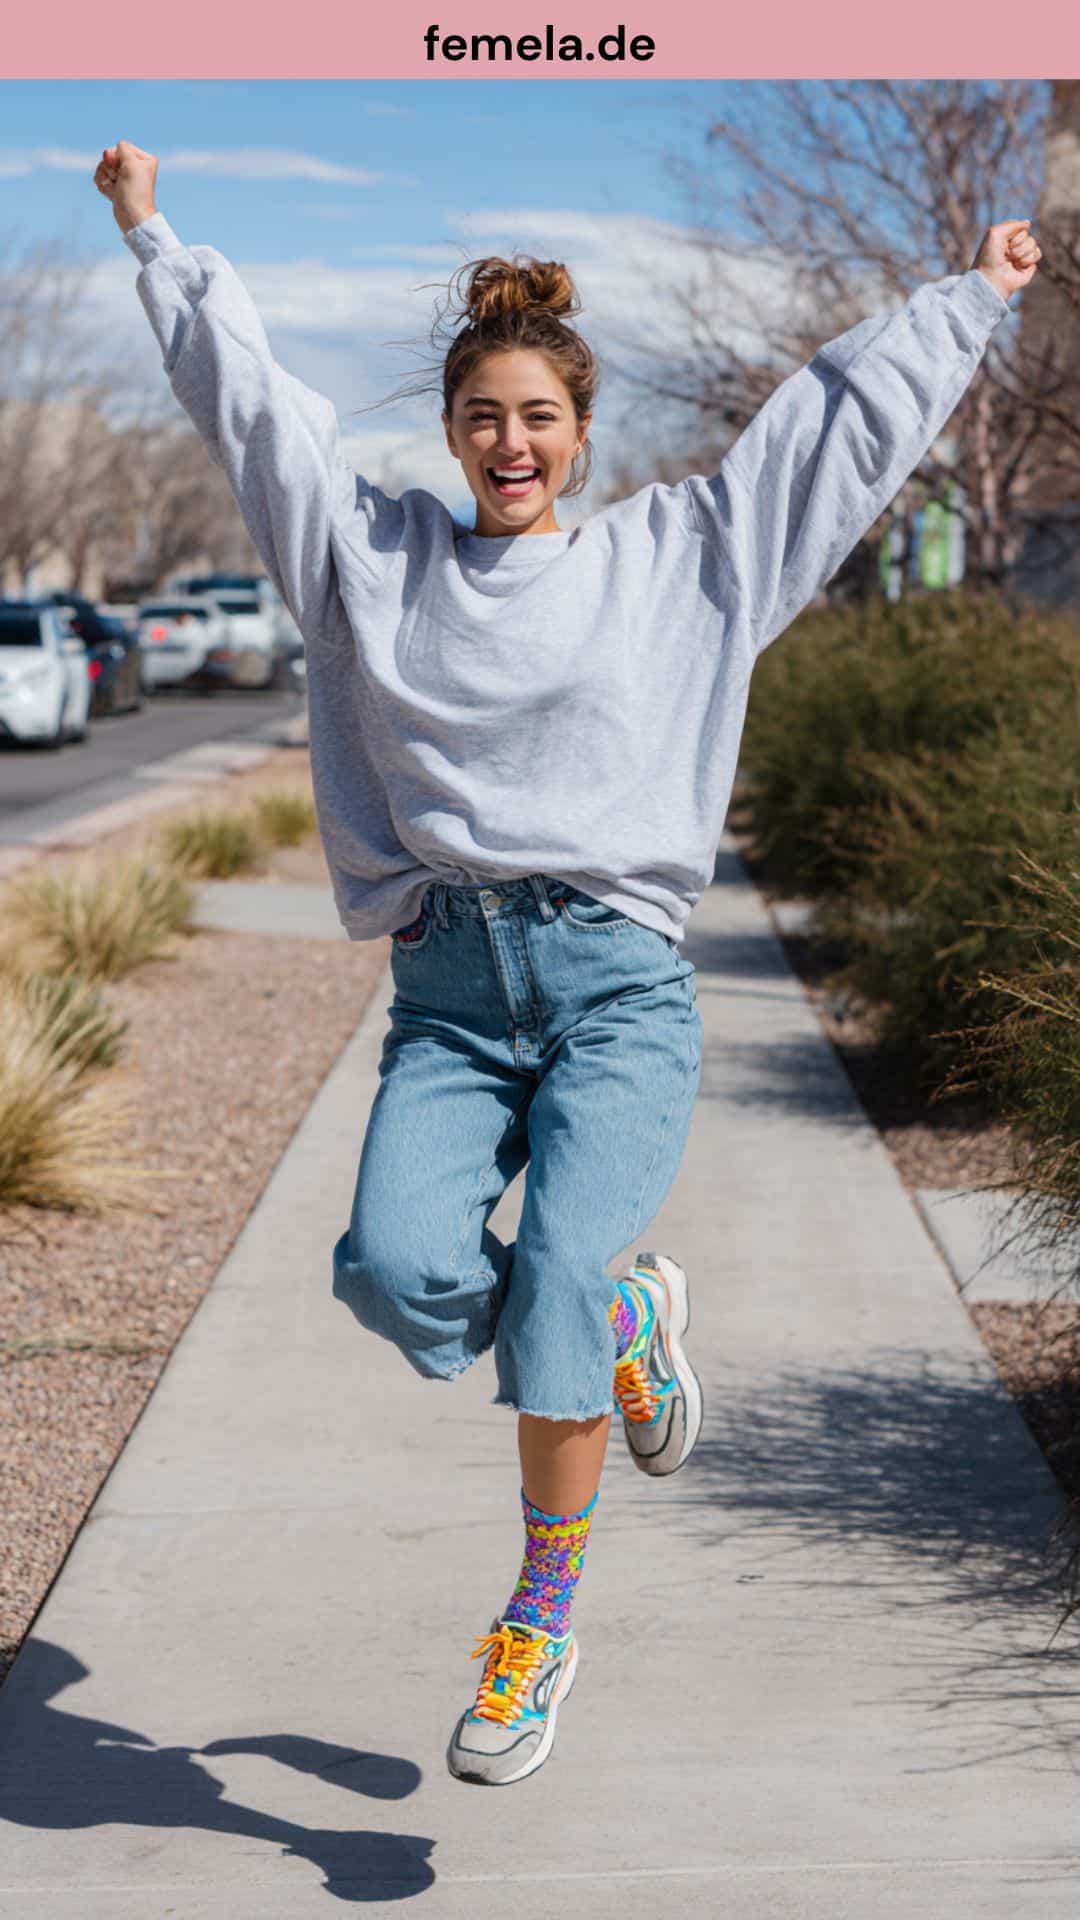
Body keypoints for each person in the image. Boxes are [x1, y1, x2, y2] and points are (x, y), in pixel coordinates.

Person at [94, 138, 1039, 1788]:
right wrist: (153, 236)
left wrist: (970, 302)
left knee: (544, 1289)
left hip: (617, 988)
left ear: (582, 432)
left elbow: (832, 433)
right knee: (397, 1270)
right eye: (483, 417)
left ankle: (536, 1623)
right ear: (451, 433)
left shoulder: (684, 560)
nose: (510, 443)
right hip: (450, 997)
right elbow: (252, 410)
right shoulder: (369, 559)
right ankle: (619, 1322)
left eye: (539, 417)